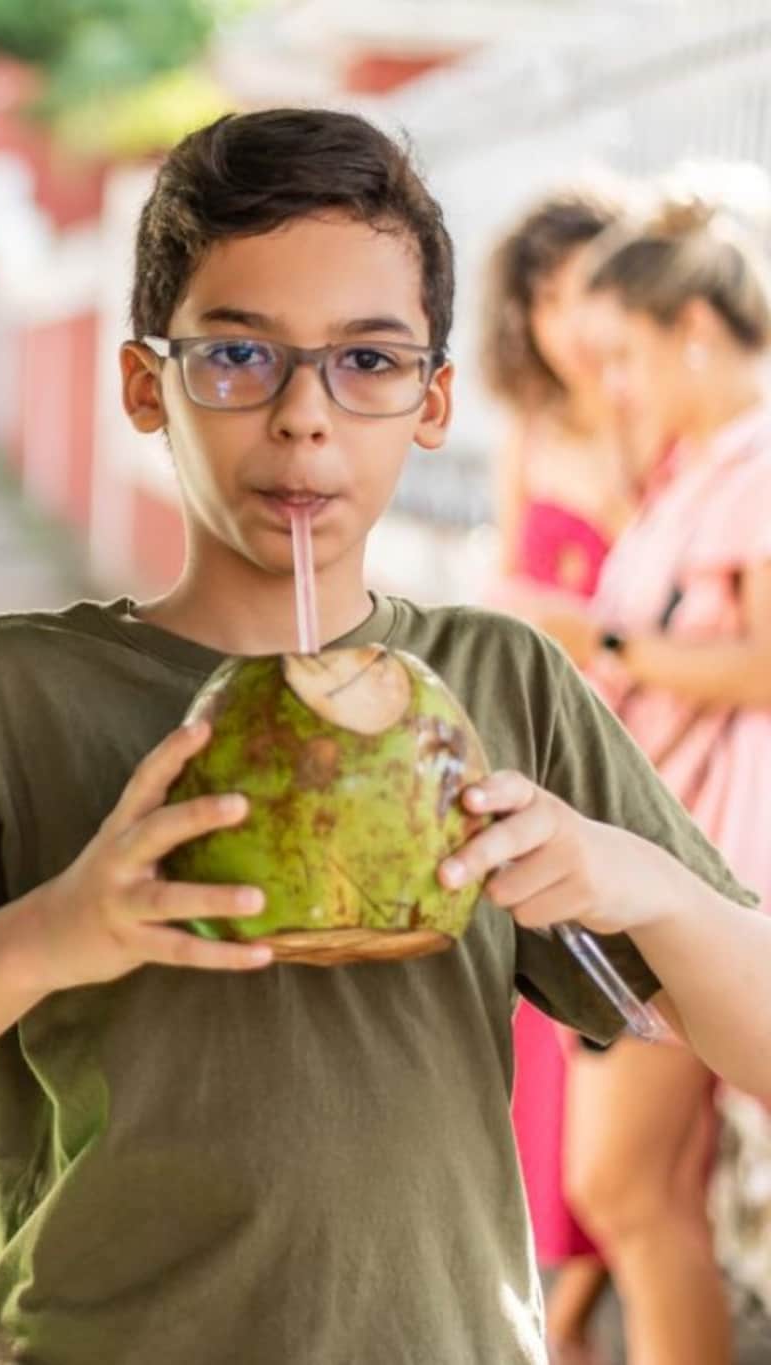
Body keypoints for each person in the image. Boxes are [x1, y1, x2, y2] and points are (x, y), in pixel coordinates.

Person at [0, 109, 771, 1364]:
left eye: (367, 362)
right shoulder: (18, 697)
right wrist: (54, 931)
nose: (303, 418)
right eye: (236, 355)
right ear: (146, 384)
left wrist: (645, 884)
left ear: (433, 400)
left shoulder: (496, 682)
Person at [535, 186, 771, 1365]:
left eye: (624, 356)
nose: (613, 388)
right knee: (636, 1189)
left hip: (710, 873)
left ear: (691, 330)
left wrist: (601, 646)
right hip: (668, 863)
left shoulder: (752, 465)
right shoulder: (699, 470)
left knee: (623, 1186)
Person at [477, 184, 640, 1364]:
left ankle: (581, 1301)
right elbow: (503, 595)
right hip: (548, 749)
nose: (564, 318)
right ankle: (561, 1290)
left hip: (645, 758)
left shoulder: (661, 430)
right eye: (540, 295)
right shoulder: (527, 434)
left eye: (584, 284)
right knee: (545, 1018)